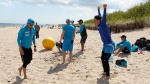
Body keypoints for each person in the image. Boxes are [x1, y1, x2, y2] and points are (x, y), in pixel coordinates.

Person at [94, 4, 115, 80]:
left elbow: (104, 17)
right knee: (102, 58)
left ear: (98, 21)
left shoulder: (103, 24)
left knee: (105, 60)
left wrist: (105, 8)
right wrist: (98, 9)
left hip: (110, 45)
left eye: (95, 20)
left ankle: (108, 75)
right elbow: (100, 16)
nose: (94, 22)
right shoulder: (99, 25)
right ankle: (105, 71)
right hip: (105, 45)